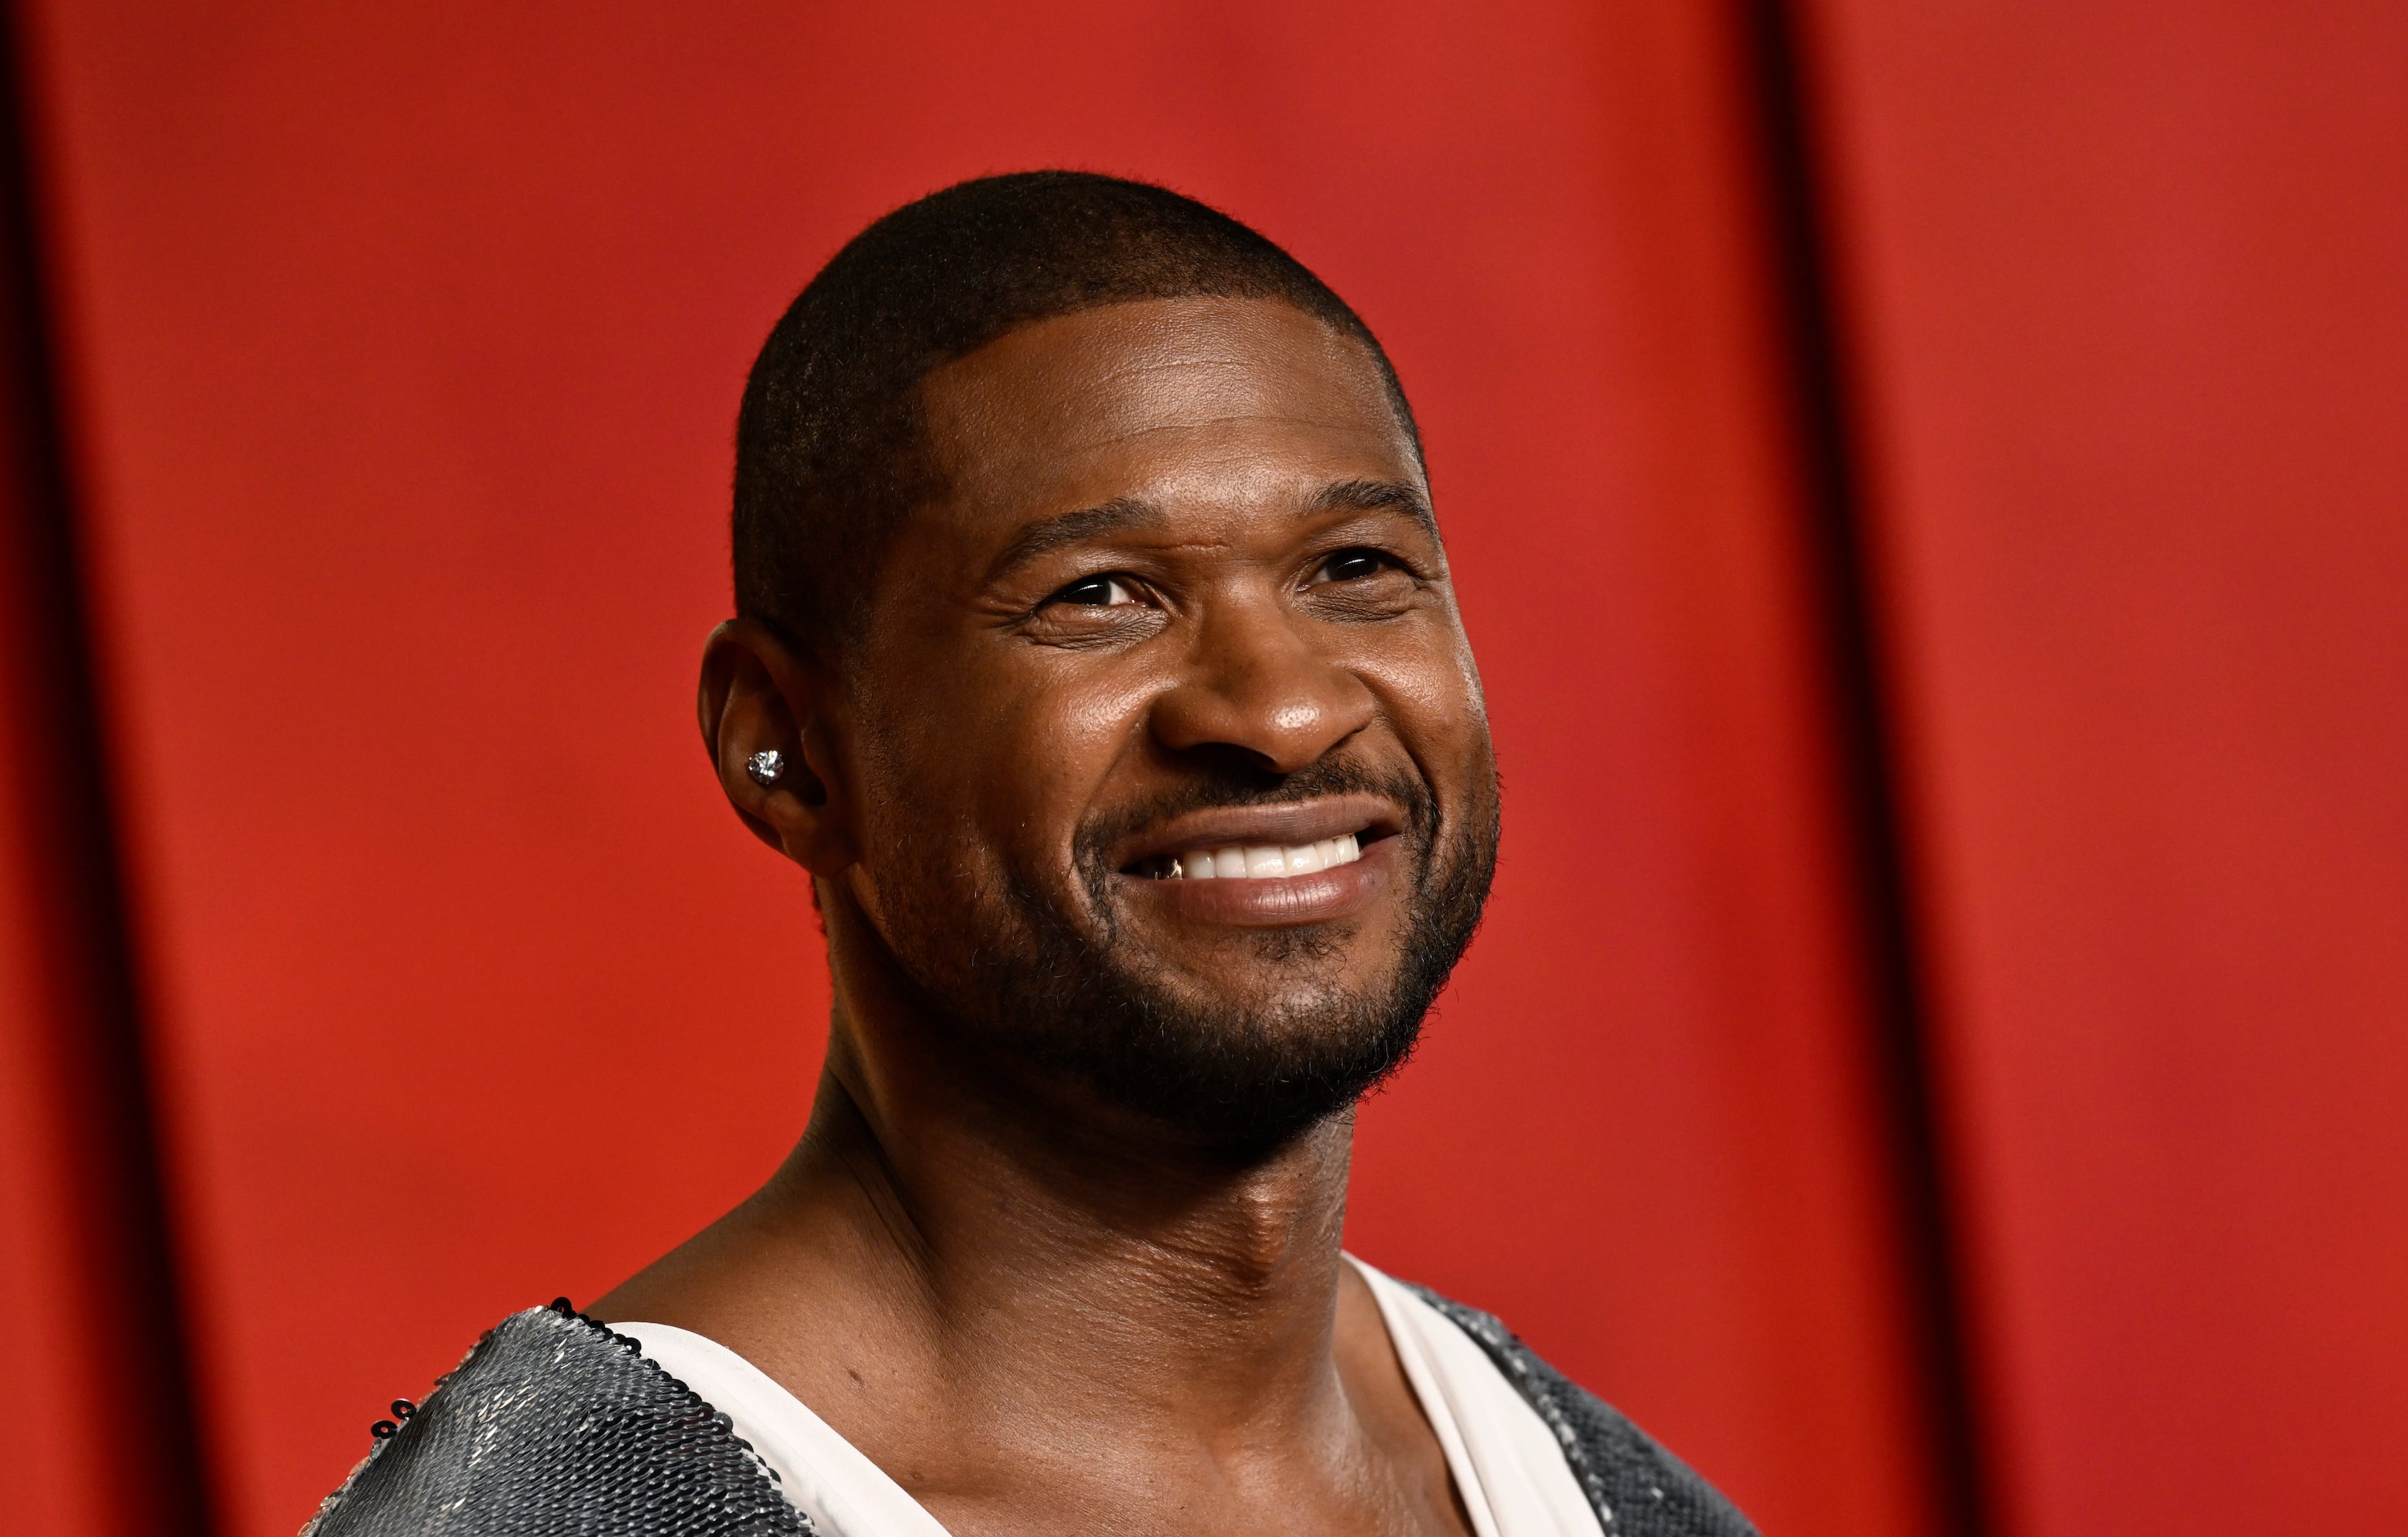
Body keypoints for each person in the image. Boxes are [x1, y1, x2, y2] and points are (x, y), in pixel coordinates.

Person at [306, 171, 1755, 1537]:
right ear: (788, 747)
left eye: (1354, 568)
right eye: (1101, 595)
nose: (1281, 712)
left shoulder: (1592, 1491)